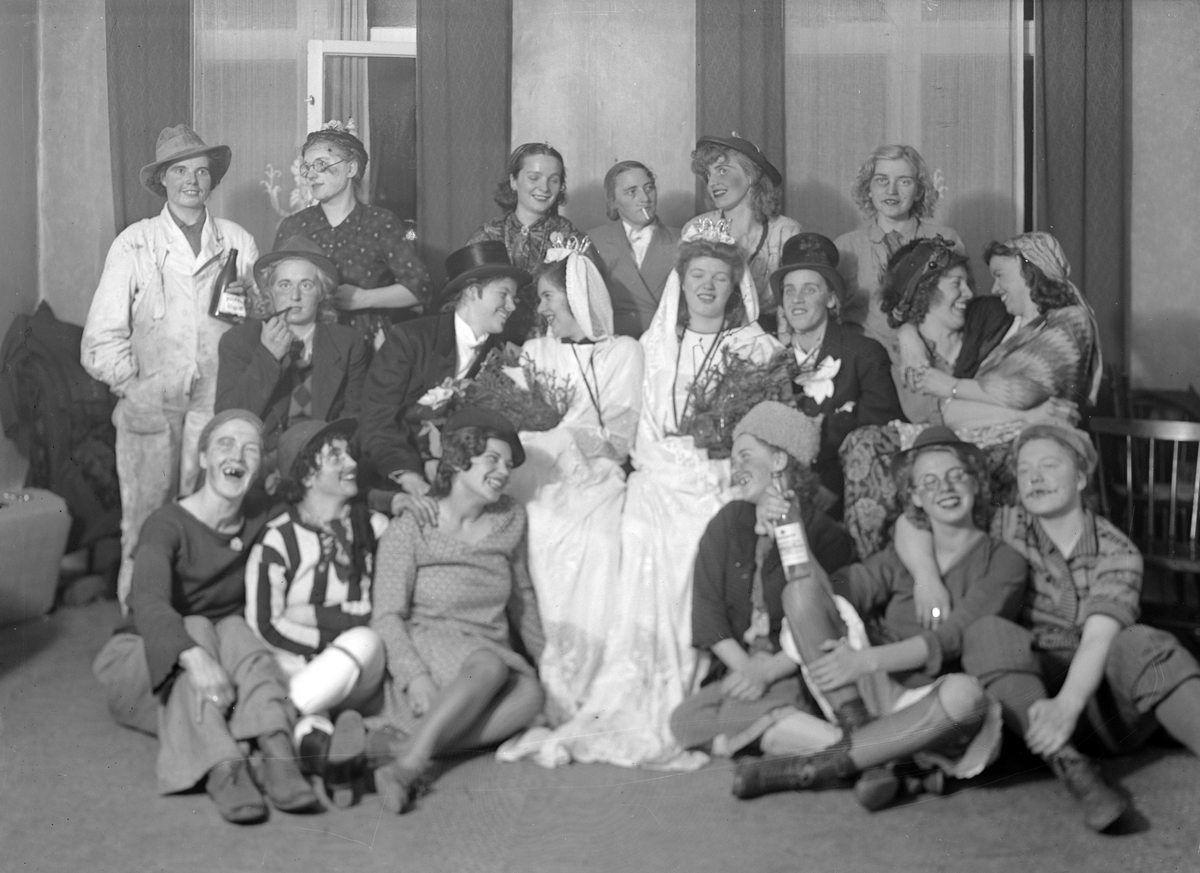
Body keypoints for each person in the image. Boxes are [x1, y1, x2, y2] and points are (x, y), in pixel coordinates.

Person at [541, 222, 784, 768]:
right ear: (682, 281)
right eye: (698, 275)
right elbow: (643, 427)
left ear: (735, 286)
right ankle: (632, 688)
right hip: (658, 477)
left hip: (720, 479)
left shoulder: (756, 347)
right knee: (637, 530)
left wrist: (711, 463)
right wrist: (669, 464)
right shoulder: (654, 346)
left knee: (698, 536)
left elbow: (761, 433)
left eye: (719, 277)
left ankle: (691, 687)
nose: (707, 286)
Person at [899, 424, 1200, 832]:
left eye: (1049, 466)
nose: (1035, 478)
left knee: (1143, 640)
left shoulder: (1118, 551)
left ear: (1081, 477)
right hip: (1024, 704)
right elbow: (916, 519)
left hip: (1101, 708)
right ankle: (1075, 772)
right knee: (987, 630)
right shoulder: (1004, 525)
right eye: (1024, 471)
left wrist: (1067, 706)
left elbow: (1098, 638)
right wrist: (925, 576)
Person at [732, 427, 1027, 810]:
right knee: (799, 593)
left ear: (975, 482)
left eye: (957, 475)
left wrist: (865, 661)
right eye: (929, 482)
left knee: (966, 697)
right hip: (871, 694)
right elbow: (831, 593)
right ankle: (876, 749)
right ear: (915, 496)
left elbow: (951, 638)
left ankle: (818, 767)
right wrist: (795, 527)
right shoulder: (901, 556)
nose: (945, 488)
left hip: (933, 704)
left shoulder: (1004, 561)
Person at [92, 410, 318, 824]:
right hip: (142, 662)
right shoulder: (165, 524)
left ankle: (276, 748)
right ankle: (223, 766)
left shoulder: (259, 514)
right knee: (196, 625)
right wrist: (194, 656)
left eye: (250, 449)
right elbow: (149, 602)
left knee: (234, 626)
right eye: (225, 444)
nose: (237, 455)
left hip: (220, 664)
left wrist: (393, 499)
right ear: (202, 459)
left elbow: (319, 501)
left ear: (257, 468)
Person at [82, 124, 260, 610]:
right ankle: (138, 617)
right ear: (162, 179)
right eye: (179, 171)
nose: (191, 181)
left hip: (215, 404)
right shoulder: (135, 243)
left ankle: (197, 614)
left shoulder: (238, 242)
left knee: (207, 514)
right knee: (145, 519)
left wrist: (250, 306)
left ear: (212, 180)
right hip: (150, 405)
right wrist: (133, 385)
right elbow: (100, 338)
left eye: (201, 171)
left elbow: (260, 328)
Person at [841, 233, 1092, 559]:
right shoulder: (901, 356)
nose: (972, 292)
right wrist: (906, 333)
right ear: (923, 290)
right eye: (956, 284)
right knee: (865, 445)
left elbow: (1036, 312)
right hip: (947, 441)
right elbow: (939, 415)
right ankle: (878, 567)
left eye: (968, 282)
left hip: (999, 441)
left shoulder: (989, 316)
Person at [368, 408, 546, 813]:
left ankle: (399, 748)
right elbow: (387, 615)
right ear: (459, 459)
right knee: (488, 665)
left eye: (508, 465)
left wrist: (545, 659)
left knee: (530, 695)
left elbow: (522, 597)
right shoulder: (412, 526)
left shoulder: (510, 518)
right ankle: (408, 769)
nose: (503, 472)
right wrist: (414, 677)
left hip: (487, 645)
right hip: (432, 643)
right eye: (492, 459)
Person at [505, 244, 644, 723]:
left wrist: (568, 438)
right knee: (538, 530)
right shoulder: (534, 352)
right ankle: (554, 678)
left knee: (601, 544)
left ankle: (591, 675)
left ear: (579, 297)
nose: (541, 308)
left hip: (598, 476)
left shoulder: (623, 352)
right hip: (540, 474)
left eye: (548, 297)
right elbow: (519, 424)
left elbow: (620, 437)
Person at [670, 401, 854, 756]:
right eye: (733, 460)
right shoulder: (727, 522)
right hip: (741, 667)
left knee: (732, 718)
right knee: (683, 721)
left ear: (780, 460)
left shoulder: (825, 533)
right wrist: (748, 672)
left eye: (745, 456)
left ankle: (846, 749)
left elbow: (830, 621)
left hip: (792, 668)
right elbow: (708, 615)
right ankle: (773, 735)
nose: (736, 468)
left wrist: (768, 673)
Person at [244, 418, 389, 807]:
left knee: (366, 640)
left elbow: (384, 609)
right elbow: (265, 624)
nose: (351, 462)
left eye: (348, 453)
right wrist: (331, 638)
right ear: (307, 475)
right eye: (336, 456)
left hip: (358, 668)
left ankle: (273, 722)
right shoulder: (278, 539)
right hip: (296, 666)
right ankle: (332, 759)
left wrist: (314, 615)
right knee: (309, 710)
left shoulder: (375, 528)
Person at [359, 241, 530, 514]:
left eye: (514, 298)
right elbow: (377, 418)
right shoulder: (410, 339)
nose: (511, 305)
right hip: (393, 473)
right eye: (504, 294)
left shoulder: (504, 358)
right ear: (473, 291)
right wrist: (409, 475)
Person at [770, 232, 904, 517]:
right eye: (789, 291)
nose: (797, 300)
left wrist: (831, 486)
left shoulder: (865, 354)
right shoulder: (771, 362)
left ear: (831, 299)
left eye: (809, 290)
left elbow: (879, 434)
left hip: (848, 497)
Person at [273, 127, 430, 349]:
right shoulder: (294, 226)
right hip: (305, 348)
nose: (311, 175)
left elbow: (421, 288)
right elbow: (272, 290)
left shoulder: (380, 222)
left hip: (368, 347)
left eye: (321, 164)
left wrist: (364, 298)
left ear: (351, 168)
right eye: (307, 167)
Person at [216, 236, 367, 463]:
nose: (295, 296)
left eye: (306, 285)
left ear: (322, 292)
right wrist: (268, 357)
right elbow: (229, 419)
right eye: (284, 285)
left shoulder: (348, 343)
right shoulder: (239, 340)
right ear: (270, 291)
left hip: (323, 459)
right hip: (260, 459)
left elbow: (355, 418)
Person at [834, 144, 965, 349]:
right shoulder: (845, 247)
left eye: (904, 181)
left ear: (918, 191)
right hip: (865, 359)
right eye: (881, 180)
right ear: (868, 189)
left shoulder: (947, 239)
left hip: (930, 356)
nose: (891, 191)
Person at [468, 143, 590, 342]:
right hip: (493, 343)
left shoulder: (571, 237)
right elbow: (466, 302)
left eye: (553, 180)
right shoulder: (488, 234)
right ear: (513, 181)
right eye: (534, 178)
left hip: (552, 344)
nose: (544, 188)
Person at [684, 134, 802, 326]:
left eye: (722, 170)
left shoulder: (786, 232)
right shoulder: (697, 229)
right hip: (712, 331)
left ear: (751, 175)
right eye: (708, 174)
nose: (712, 183)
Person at [587, 160, 681, 338]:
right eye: (632, 192)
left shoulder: (683, 240)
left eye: (649, 188)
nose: (645, 198)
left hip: (666, 342)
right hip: (614, 344)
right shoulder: (593, 241)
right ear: (613, 201)